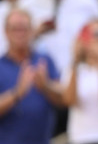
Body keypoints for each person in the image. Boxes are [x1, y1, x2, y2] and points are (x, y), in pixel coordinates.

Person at [0, 9, 62, 144]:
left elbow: (62, 99)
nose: (20, 34)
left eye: (24, 29)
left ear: (32, 31)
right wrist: (18, 92)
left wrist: (46, 86)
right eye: (15, 29)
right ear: (6, 32)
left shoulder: (44, 61)